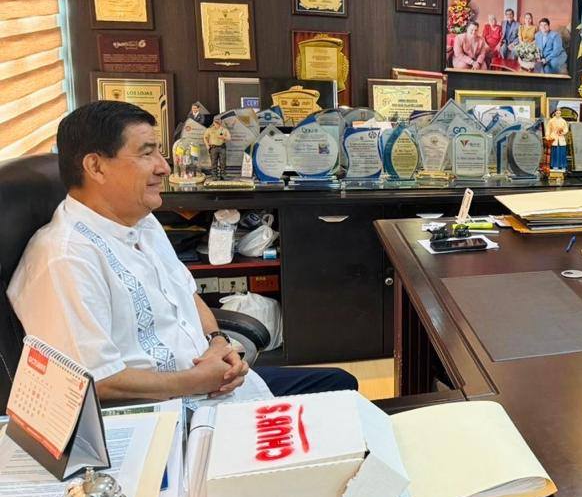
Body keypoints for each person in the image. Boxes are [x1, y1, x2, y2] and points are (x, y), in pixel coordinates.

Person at [8, 101, 357, 401]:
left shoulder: (142, 221)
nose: (164, 166)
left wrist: (218, 343)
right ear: (96, 166)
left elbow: (186, 294)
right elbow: (92, 380)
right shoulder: (65, 258)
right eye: (147, 153)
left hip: (212, 386)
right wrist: (195, 381)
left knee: (340, 385)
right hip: (172, 415)